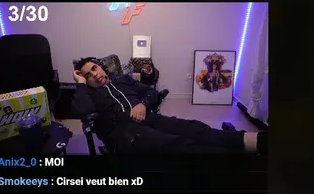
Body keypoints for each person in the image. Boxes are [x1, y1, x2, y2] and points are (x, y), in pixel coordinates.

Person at [74, 57, 267, 154]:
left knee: (194, 128)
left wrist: (142, 104)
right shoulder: (88, 94)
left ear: (101, 67)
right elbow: (85, 112)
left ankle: (255, 141)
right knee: (177, 145)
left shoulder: (123, 80)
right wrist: (80, 84)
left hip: (148, 117)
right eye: (88, 75)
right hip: (123, 130)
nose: (95, 74)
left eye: (94, 68)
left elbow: (151, 93)